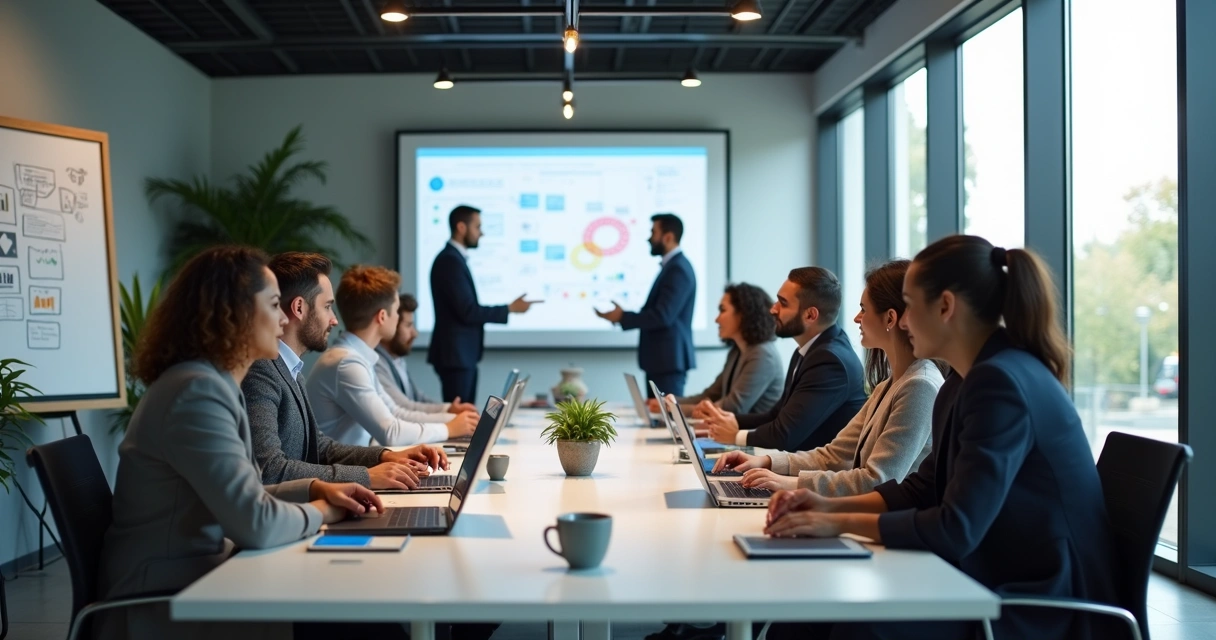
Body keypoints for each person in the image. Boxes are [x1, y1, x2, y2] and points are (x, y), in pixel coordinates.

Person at [762, 236, 1122, 640]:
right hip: (994, 575)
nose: (904, 320)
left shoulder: (999, 383)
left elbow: (956, 528)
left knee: (851, 626)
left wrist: (835, 522)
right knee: (805, 619)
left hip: (1039, 604)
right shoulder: (965, 380)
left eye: (910, 305)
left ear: (946, 307)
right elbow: (922, 488)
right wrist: (827, 507)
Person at [97, 246, 382, 640]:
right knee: (357, 620)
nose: (283, 319)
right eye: (272, 305)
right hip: (168, 598)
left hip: (208, 573)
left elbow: (251, 492)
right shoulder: (197, 393)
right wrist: (324, 510)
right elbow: (256, 524)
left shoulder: (210, 384)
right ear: (234, 314)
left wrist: (317, 488)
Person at [712, 260, 942, 495]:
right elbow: (834, 455)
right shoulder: (888, 385)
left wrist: (788, 483)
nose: (856, 318)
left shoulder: (918, 386)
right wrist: (768, 462)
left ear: (891, 319)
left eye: (863, 309)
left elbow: (875, 481)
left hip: (886, 524)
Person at [243, 252, 449, 491]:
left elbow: (319, 448)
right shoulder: (261, 372)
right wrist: (366, 476)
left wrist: (385, 457)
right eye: (328, 307)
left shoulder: (292, 369)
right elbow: (270, 470)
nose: (333, 320)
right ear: (299, 308)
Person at [699, 267, 867, 452]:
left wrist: (735, 436)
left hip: (822, 475)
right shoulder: (807, 350)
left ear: (810, 315)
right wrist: (732, 421)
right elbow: (776, 414)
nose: (773, 309)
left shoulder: (829, 361)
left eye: (783, 303)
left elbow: (785, 436)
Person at [309, 265, 480, 446]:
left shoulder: (356, 357)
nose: (397, 319)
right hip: (341, 471)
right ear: (382, 316)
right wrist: (449, 428)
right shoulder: (347, 364)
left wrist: (455, 420)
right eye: (396, 310)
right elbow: (390, 432)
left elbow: (396, 413)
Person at [428, 204, 540, 401]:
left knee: (466, 419)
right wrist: (510, 309)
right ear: (461, 227)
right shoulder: (450, 261)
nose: (482, 233)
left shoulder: (454, 259)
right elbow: (468, 311)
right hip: (456, 356)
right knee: (461, 420)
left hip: (462, 356)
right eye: (477, 227)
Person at [596, 213, 697, 397]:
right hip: (662, 361)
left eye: (653, 232)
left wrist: (622, 317)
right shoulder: (672, 267)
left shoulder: (678, 269)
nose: (649, 238)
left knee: (666, 420)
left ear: (668, 237)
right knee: (658, 416)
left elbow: (663, 316)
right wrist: (622, 317)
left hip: (668, 361)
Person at [647, 282, 784, 416]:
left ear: (743, 314)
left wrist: (673, 408)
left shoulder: (763, 355)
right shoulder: (737, 351)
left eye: (722, 310)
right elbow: (710, 395)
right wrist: (670, 402)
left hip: (750, 436)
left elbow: (732, 408)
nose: (716, 319)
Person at [377, 293, 475, 416]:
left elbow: (418, 398)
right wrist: (449, 418)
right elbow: (404, 406)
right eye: (408, 325)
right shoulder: (376, 363)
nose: (415, 333)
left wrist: (449, 409)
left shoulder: (397, 359)